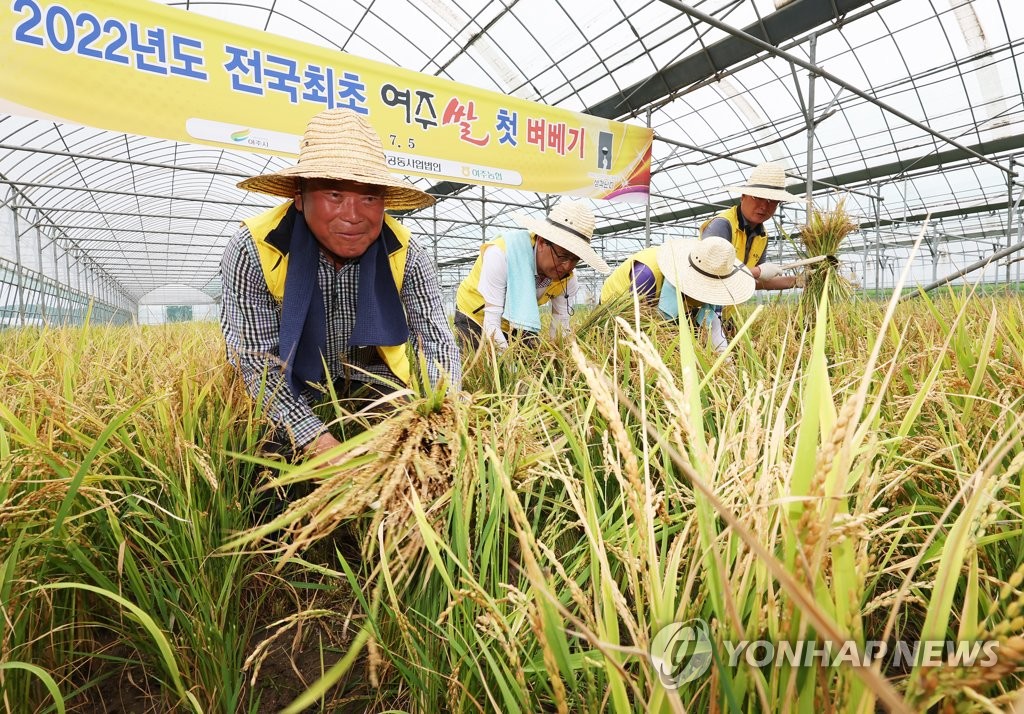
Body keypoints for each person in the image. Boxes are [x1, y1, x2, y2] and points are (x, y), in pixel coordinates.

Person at [220, 108, 461, 461]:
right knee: (270, 453)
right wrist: (320, 444)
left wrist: (438, 413)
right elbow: (256, 362)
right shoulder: (255, 249)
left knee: (411, 451)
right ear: (299, 198)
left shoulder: (408, 252)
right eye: (334, 194)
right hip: (290, 377)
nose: (353, 215)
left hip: (369, 377)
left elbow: (437, 342)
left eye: (369, 197)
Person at [454, 200, 611, 351]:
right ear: (542, 242)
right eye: (563, 256)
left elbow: (561, 323)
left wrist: (560, 356)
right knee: (484, 365)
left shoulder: (568, 279)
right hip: (477, 316)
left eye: (575, 260)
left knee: (531, 362)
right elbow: (491, 323)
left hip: (517, 318)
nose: (568, 266)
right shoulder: (501, 254)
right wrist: (509, 367)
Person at [600, 236, 755, 351]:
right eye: (706, 287)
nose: (708, 294)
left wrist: (727, 366)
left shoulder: (716, 288)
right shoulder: (646, 276)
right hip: (617, 307)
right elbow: (638, 332)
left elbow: (714, 327)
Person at [700, 161, 802, 332]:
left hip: (726, 313)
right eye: (758, 197)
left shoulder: (762, 236)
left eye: (772, 201)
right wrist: (759, 271)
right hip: (699, 310)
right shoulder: (723, 225)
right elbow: (709, 272)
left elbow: (752, 282)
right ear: (743, 196)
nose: (764, 206)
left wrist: (796, 281)